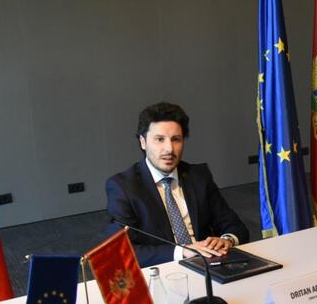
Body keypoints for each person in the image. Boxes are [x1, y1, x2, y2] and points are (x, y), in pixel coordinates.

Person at [105, 102, 248, 267]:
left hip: (209, 264)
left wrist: (226, 240)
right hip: (163, 268)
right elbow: (119, 251)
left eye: (176, 139)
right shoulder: (123, 187)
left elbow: (235, 226)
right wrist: (183, 251)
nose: (169, 149)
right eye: (160, 139)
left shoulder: (199, 176)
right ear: (143, 142)